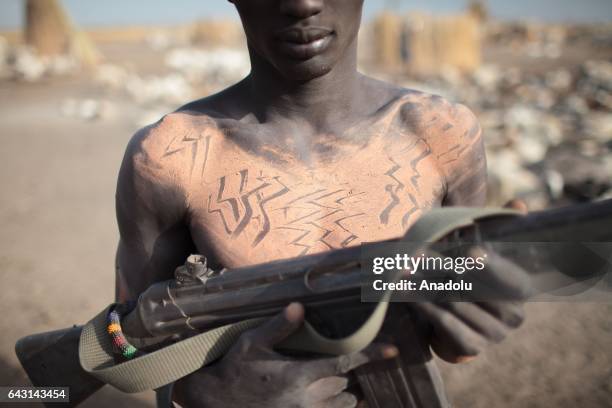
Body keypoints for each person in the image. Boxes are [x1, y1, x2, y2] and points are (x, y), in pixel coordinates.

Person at [115, 0, 530, 406]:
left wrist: (484, 309)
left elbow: (455, 346)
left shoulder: (442, 135)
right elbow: (126, 347)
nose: (302, 4)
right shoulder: (172, 156)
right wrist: (205, 393)